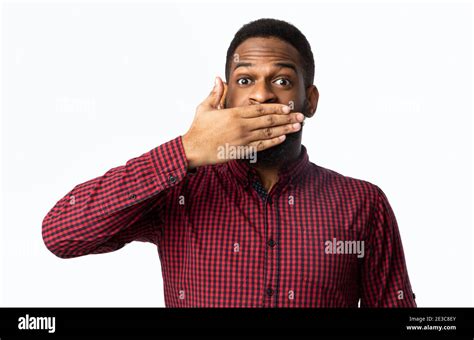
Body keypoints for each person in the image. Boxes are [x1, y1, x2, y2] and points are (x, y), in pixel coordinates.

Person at [42, 18, 416, 307]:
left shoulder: (363, 204)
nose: (262, 94)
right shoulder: (179, 190)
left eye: (282, 81)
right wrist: (186, 149)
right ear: (223, 100)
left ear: (310, 101)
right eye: (245, 79)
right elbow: (60, 233)